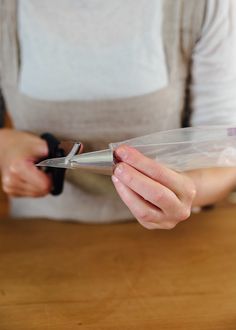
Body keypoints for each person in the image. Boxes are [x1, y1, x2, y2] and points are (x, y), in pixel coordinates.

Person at [0, 0, 236, 229]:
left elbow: (226, 155)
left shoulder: (205, 5)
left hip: (174, 242)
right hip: (35, 239)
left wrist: (183, 192)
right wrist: (6, 145)